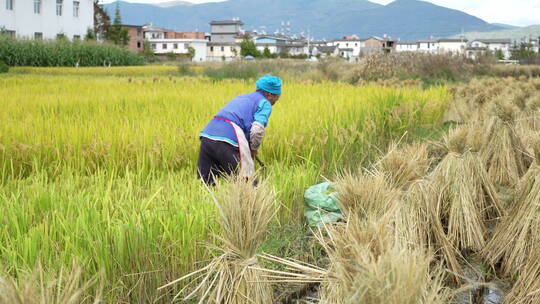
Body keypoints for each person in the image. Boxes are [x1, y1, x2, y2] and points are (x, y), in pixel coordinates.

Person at [198, 74, 282, 185]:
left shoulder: (243, 97)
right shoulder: (265, 103)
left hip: (207, 136)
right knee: (247, 182)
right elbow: (257, 130)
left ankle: (207, 202)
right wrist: (253, 149)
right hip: (229, 138)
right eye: (277, 96)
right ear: (270, 94)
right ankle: (256, 202)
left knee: (207, 183)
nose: (276, 101)